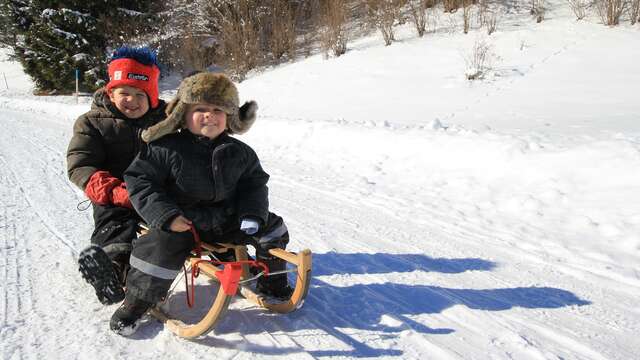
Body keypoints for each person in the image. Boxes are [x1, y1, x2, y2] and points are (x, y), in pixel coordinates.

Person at [111, 72, 292, 335]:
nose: (210, 115)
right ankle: (137, 302)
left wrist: (253, 214)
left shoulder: (240, 152)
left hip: (228, 219)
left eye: (218, 109)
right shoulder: (166, 147)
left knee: (274, 228)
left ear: (229, 117)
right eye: (201, 109)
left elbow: (254, 184)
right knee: (159, 247)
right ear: (183, 114)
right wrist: (166, 216)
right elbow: (140, 180)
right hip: (183, 222)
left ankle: (272, 282)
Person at [66, 46, 166, 305]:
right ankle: (111, 270)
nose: (131, 100)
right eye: (124, 93)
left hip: (157, 192)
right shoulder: (92, 123)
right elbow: (81, 164)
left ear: (152, 97)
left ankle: (231, 256)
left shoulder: (165, 122)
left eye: (139, 94)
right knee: (115, 223)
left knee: (195, 214)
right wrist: (112, 191)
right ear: (111, 92)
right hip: (116, 193)